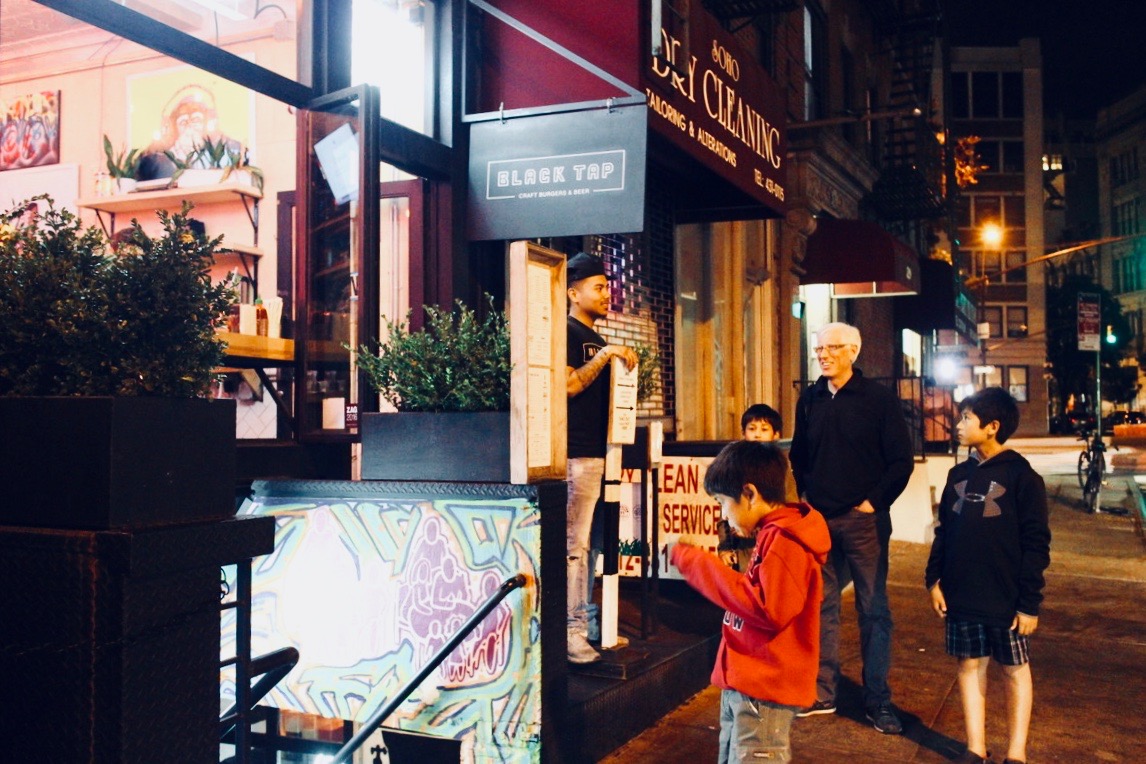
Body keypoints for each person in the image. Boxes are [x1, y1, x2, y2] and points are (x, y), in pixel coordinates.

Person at [788, 322, 914, 734]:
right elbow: (799, 455)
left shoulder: (879, 399)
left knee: (873, 609)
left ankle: (877, 701)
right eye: (819, 349)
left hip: (864, 523)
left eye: (832, 348)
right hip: (820, 521)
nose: (823, 355)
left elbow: (901, 461)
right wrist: (806, 498)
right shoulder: (810, 399)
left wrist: (871, 504)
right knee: (821, 608)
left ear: (853, 352)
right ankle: (823, 693)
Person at [671, 440, 830, 763]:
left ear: (750, 494)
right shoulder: (772, 534)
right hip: (748, 684)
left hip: (763, 689)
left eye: (723, 502)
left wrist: (701, 566)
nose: (723, 514)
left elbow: (767, 609)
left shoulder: (787, 542)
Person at [925, 388, 1051, 764]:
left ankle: (1016, 753)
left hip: (1006, 598)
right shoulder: (957, 474)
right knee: (969, 666)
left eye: (966, 418)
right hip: (962, 593)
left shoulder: (1022, 477)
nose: (958, 424)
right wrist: (934, 579)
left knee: (1014, 669)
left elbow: (1036, 544)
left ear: (992, 427)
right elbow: (944, 531)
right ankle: (975, 748)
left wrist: (1029, 604)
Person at [565, 251, 637, 664]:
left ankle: (590, 624)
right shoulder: (567, 331)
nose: (607, 294)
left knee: (592, 546)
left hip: (601, 454)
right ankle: (572, 633)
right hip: (576, 455)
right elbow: (569, 385)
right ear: (573, 293)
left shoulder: (596, 337)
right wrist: (606, 355)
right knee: (575, 547)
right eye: (599, 287)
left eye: (608, 286)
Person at [717, 403, 793, 571]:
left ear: (776, 435)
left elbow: (790, 508)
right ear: (743, 433)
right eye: (752, 429)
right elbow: (724, 514)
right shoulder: (735, 467)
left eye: (764, 429)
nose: (757, 434)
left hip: (775, 547)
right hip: (744, 551)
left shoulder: (784, 469)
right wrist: (725, 547)